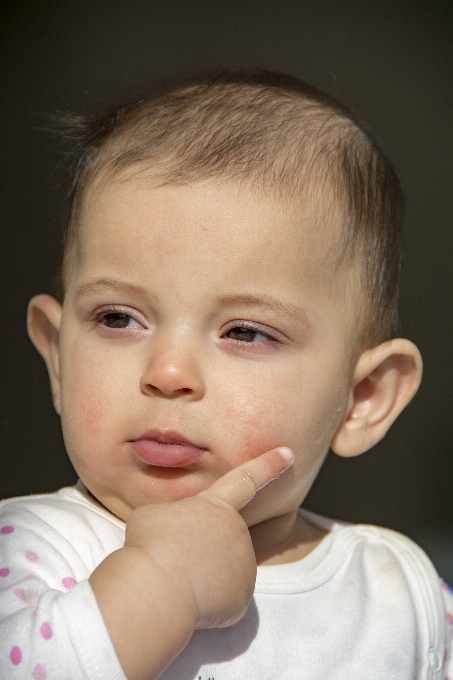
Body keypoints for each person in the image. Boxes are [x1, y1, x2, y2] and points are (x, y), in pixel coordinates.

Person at [0, 70, 451, 680]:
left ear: (361, 398)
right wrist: (162, 585)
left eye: (245, 331)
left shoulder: (401, 595)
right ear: (58, 356)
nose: (168, 372)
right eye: (118, 318)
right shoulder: (31, 550)